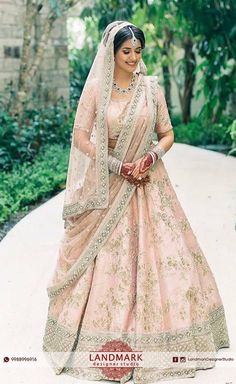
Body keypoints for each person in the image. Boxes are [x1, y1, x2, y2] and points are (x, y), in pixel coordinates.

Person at [42, 21, 230, 384]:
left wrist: (151, 158)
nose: (133, 57)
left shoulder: (150, 87)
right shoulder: (97, 89)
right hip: (109, 183)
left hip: (149, 183)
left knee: (164, 258)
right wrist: (116, 164)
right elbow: (80, 137)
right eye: (126, 51)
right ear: (112, 52)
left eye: (138, 51)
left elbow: (168, 133)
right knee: (107, 262)